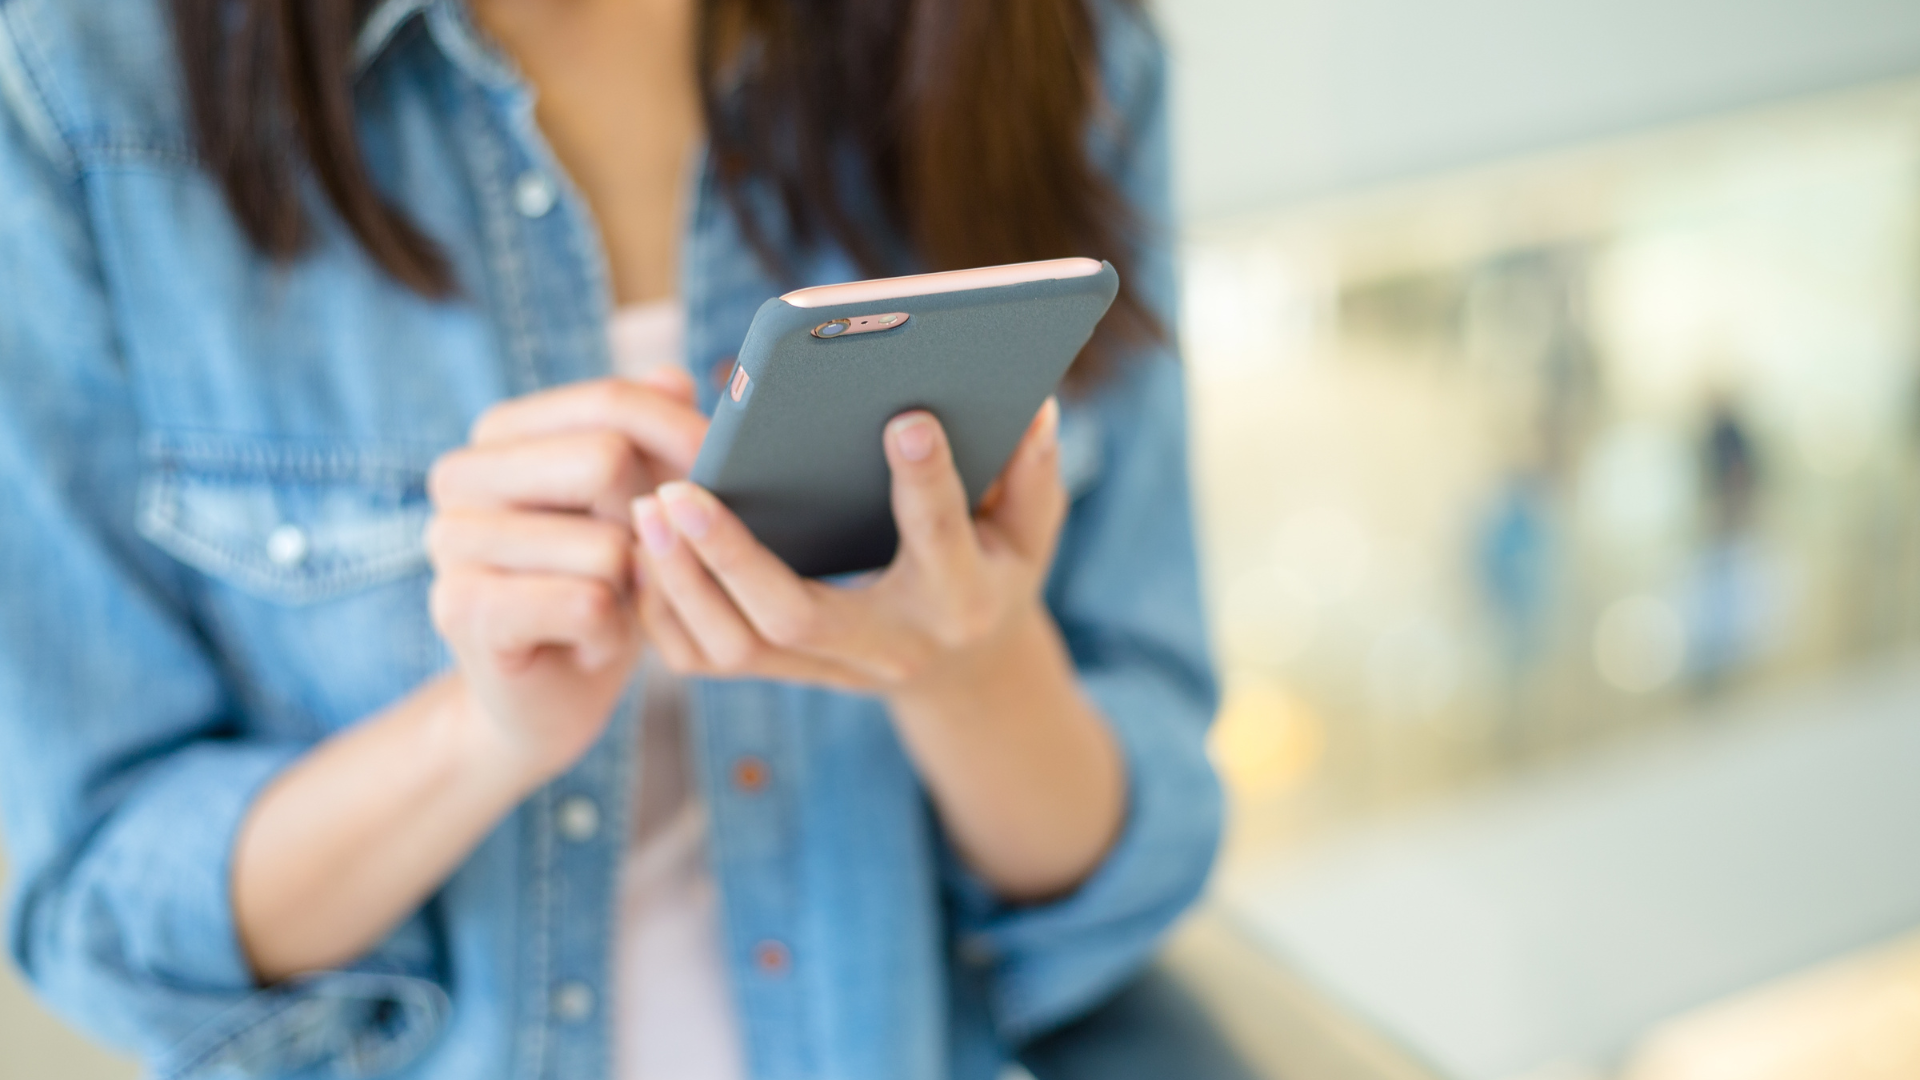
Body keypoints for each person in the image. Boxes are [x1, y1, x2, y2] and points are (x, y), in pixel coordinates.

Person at [0, 0, 1221, 1078]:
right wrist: (479, 737)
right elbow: (106, 923)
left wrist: (973, 673)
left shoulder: (1054, 46)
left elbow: (1129, 877)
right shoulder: (83, 82)